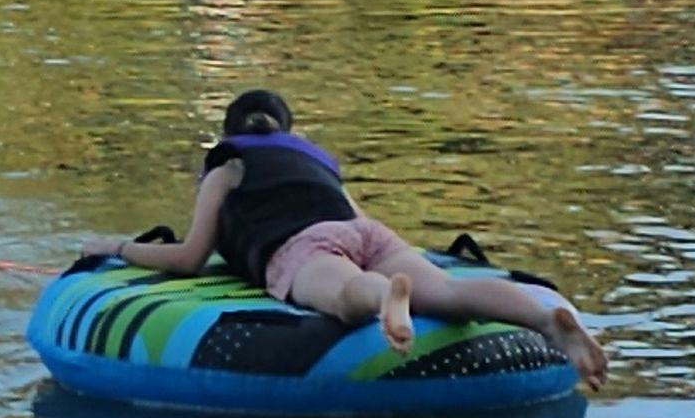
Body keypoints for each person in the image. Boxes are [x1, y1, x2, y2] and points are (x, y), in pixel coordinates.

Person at [103, 88, 606, 388]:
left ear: (231, 131)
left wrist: (119, 248)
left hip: (301, 245)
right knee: (448, 293)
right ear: (286, 130)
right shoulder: (312, 160)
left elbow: (191, 256)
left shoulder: (228, 167)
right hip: (364, 230)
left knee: (345, 294)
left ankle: (387, 298)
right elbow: (352, 216)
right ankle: (544, 319)